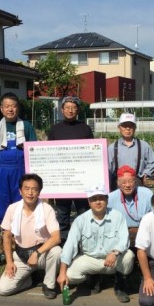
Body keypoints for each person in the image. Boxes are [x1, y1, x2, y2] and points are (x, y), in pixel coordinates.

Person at [57, 184, 134, 303]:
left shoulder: (118, 216)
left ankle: (120, 286)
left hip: (112, 260)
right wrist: (62, 272)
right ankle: (92, 278)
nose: (98, 202)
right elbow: (70, 245)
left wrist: (115, 252)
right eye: (94, 199)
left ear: (107, 200)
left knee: (129, 256)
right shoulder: (80, 220)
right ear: (89, 202)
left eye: (101, 198)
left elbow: (124, 240)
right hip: (90, 259)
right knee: (70, 275)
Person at [0, 173, 61, 299]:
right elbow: (7, 236)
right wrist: (9, 262)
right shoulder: (13, 208)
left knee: (57, 252)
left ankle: (48, 285)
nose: (30, 193)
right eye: (26, 189)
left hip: (42, 254)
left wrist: (37, 253)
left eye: (34, 189)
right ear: (20, 191)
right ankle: (30, 279)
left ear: (39, 192)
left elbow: (56, 237)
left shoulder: (46, 209)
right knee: (3, 289)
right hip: (21, 255)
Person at [0, 92, 37, 221]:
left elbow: (34, 150)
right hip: (2, 171)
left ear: (18, 108)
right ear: (1, 109)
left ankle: (22, 232)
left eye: (13, 106)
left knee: (22, 200)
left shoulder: (26, 126)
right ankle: (4, 232)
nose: (10, 109)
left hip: (21, 170)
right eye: (7, 106)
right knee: (2, 200)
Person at [47, 96, 95, 240]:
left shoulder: (85, 129)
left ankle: (85, 243)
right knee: (62, 215)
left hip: (82, 181)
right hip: (63, 180)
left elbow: (93, 153)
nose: (70, 110)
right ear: (62, 110)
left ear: (78, 110)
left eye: (73, 108)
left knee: (84, 213)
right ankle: (63, 245)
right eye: (67, 107)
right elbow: (49, 155)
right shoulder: (55, 130)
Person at [107, 113, 154, 190]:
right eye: (124, 126)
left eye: (131, 126)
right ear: (119, 128)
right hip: (118, 185)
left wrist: (146, 173)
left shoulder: (143, 145)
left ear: (135, 128)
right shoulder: (112, 147)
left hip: (137, 183)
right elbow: (108, 168)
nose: (128, 128)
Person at [107, 165, 153, 241]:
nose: (127, 185)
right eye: (123, 182)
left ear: (135, 181)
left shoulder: (147, 194)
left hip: (144, 234)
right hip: (119, 236)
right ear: (118, 183)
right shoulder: (110, 198)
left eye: (130, 181)